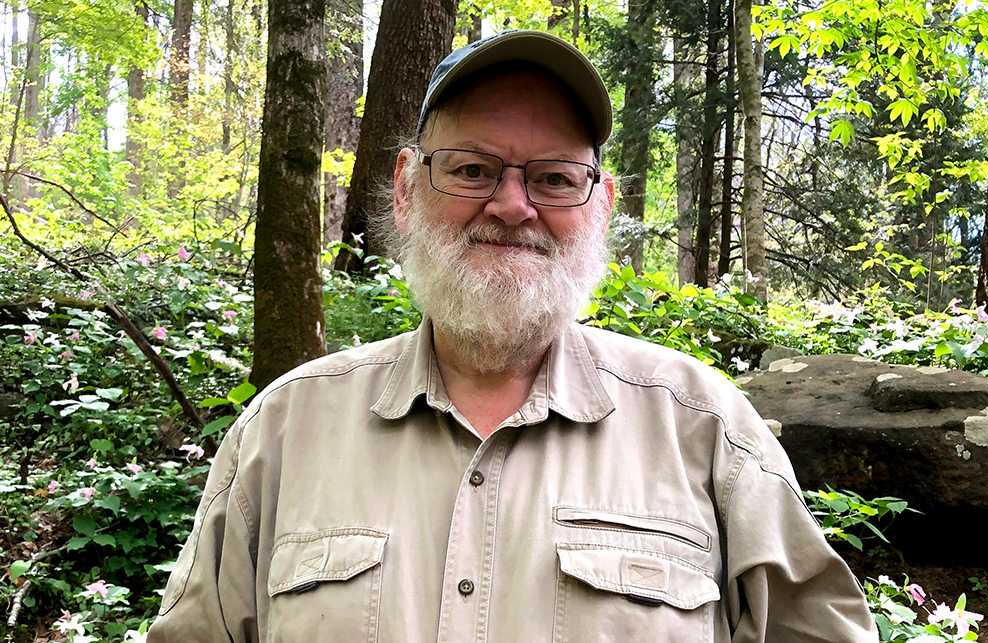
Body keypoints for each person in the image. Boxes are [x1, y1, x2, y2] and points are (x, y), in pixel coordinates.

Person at [148, 29, 877, 642]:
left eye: (555, 179)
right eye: (472, 168)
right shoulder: (283, 432)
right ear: (405, 188)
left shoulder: (706, 429)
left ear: (600, 204)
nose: (512, 205)